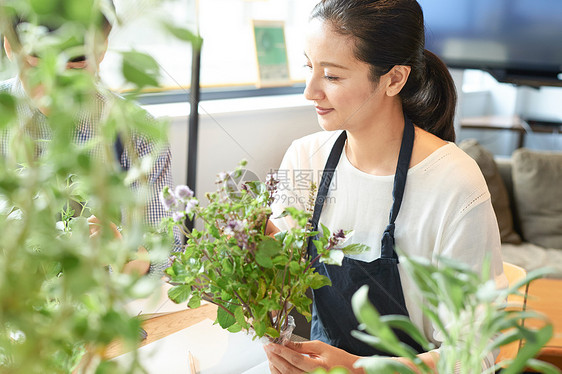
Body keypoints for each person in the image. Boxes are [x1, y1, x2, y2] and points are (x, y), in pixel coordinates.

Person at [265, 0, 506, 372]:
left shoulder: (455, 184)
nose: (310, 91)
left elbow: (478, 351)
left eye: (331, 76)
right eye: (309, 68)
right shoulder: (305, 159)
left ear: (394, 79)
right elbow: (282, 281)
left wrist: (358, 369)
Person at [0, 2, 176, 275]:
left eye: (75, 68)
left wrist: (127, 255)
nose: (55, 88)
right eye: (38, 68)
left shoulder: (137, 133)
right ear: (9, 45)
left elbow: (170, 254)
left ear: (101, 49)